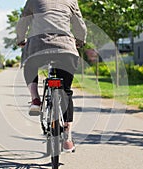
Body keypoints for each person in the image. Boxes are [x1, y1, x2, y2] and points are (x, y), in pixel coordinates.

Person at [16, 0, 87, 152]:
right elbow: (79, 24)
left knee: (30, 64)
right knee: (66, 91)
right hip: (65, 48)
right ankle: (67, 138)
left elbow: (23, 22)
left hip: (38, 45)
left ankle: (35, 99)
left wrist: (20, 39)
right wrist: (80, 41)